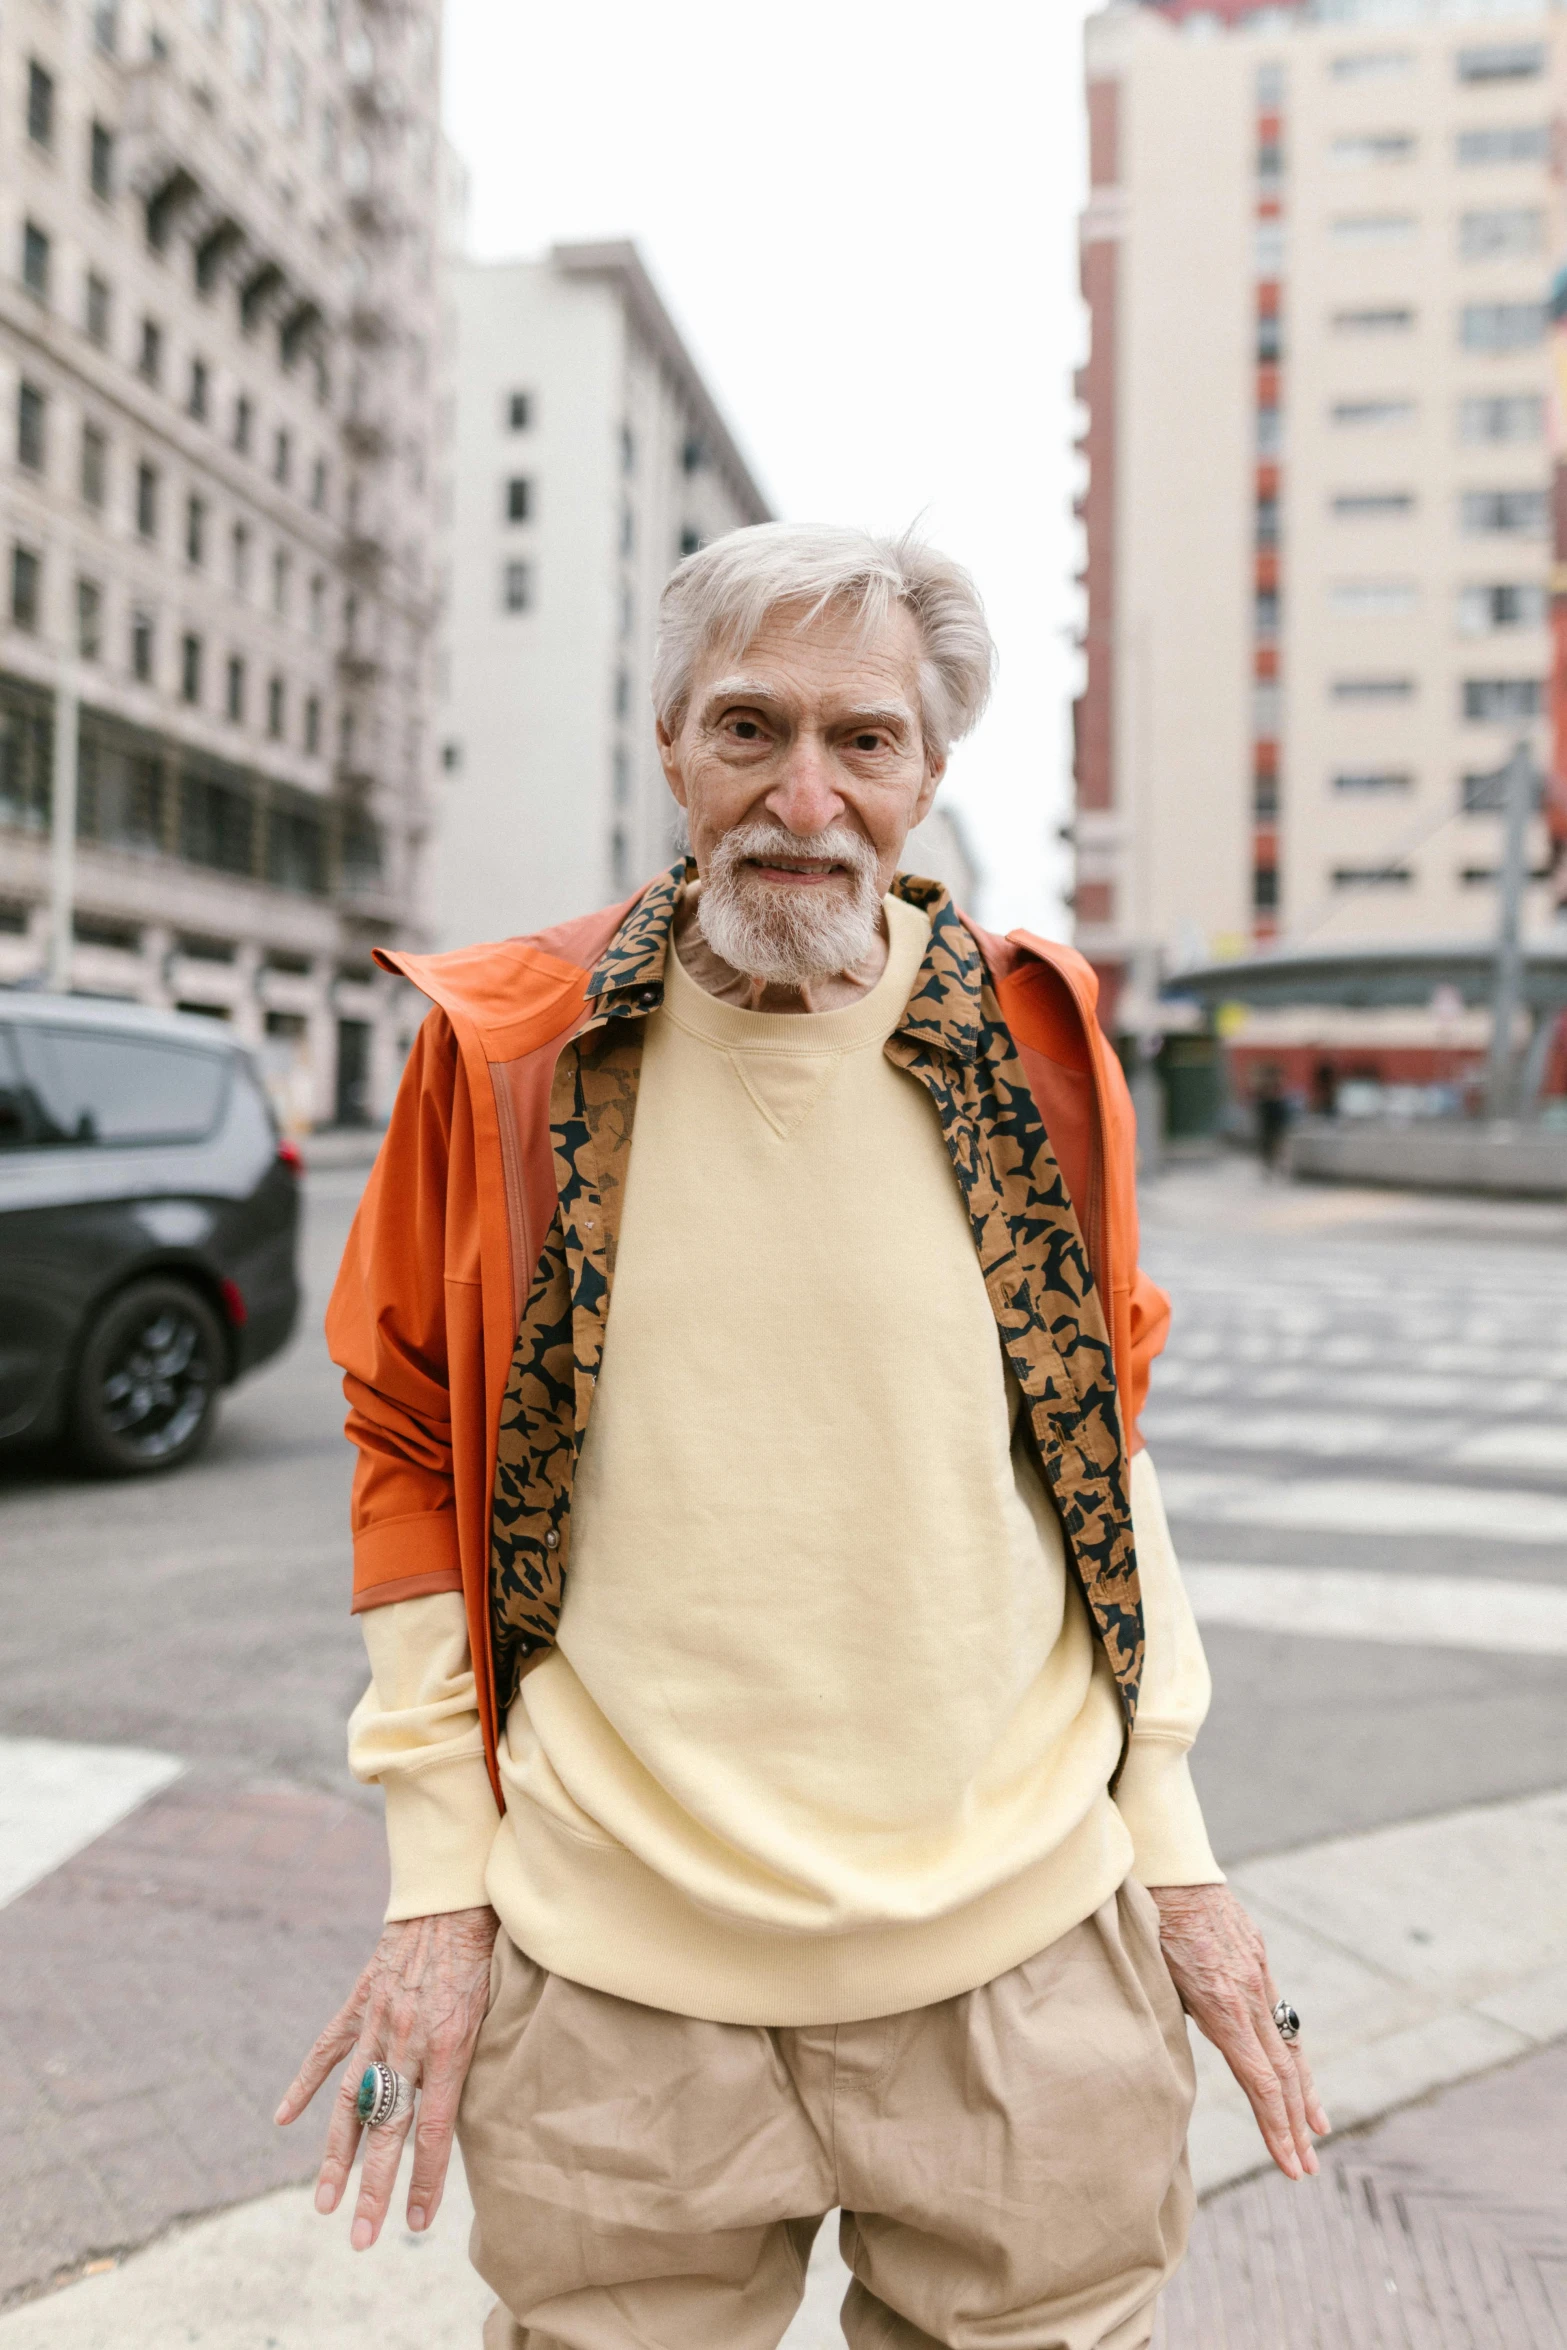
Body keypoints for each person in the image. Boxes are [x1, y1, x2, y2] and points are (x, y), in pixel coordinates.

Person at [278, 525, 1327, 2349]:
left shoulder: (1034, 1042)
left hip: (1019, 1960)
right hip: (618, 1986)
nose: (804, 795)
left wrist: (1174, 1851)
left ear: (927, 775)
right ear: (671, 744)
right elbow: (404, 1440)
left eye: (865, 739)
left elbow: (1099, 1448)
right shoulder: (505, 1049)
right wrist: (438, 1889)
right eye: (749, 728)